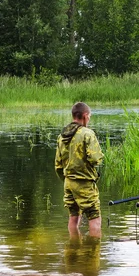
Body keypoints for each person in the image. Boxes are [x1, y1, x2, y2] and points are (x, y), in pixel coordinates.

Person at [55, 102, 104, 238]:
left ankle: (73, 248)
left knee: (73, 216)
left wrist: (66, 179)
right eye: (89, 117)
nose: (89, 120)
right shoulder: (87, 134)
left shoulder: (62, 136)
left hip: (68, 183)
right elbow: (95, 159)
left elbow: (58, 165)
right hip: (84, 182)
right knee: (94, 216)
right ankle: (93, 251)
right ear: (85, 115)